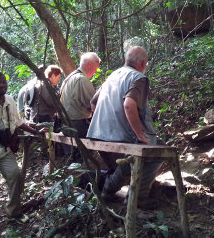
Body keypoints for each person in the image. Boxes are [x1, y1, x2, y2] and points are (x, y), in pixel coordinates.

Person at [0, 72, 46, 235]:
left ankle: (14, 213)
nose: (1, 85)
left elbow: (18, 122)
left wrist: (35, 130)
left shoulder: (10, 100)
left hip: (4, 150)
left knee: (15, 176)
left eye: (3, 82)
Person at [87, 46, 161, 209]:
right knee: (156, 154)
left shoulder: (112, 76)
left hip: (97, 135)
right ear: (142, 63)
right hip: (121, 137)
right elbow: (129, 105)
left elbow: (93, 103)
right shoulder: (138, 77)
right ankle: (138, 200)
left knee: (127, 164)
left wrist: (106, 123)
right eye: (146, 63)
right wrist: (140, 134)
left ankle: (107, 191)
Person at [59, 52, 100, 137]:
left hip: (65, 124)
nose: (96, 72)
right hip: (77, 126)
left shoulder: (70, 77)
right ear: (89, 65)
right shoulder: (82, 79)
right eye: (96, 68)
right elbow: (94, 105)